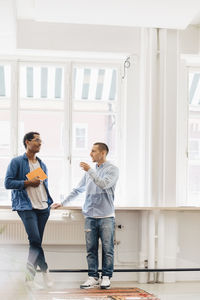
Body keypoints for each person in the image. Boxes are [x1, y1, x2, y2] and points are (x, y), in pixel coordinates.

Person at [52, 142, 119, 289]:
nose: (90, 154)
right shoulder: (89, 172)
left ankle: (106, 277)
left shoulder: (112, 170)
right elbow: (77, 190)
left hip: (106, 216)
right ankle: (93, 276)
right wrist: (62, 202)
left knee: (108, 249)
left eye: (93, 151)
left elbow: (103, 184)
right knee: (91, 249)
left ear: (103, 153)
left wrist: (90, 171)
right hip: (89, 216)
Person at [4, 132, 53, 289]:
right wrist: (27, 182)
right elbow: (8, 183)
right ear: (27, 142)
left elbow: (43, 186)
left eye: (41, 140)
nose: (40, 143)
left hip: (43, 207)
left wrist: (49, 202)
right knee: (35, 241)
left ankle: (33, 279)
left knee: (36, 243)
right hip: (26, 207)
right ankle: (40, 274)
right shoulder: (17, 161)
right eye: (37, 140)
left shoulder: (42, 163)